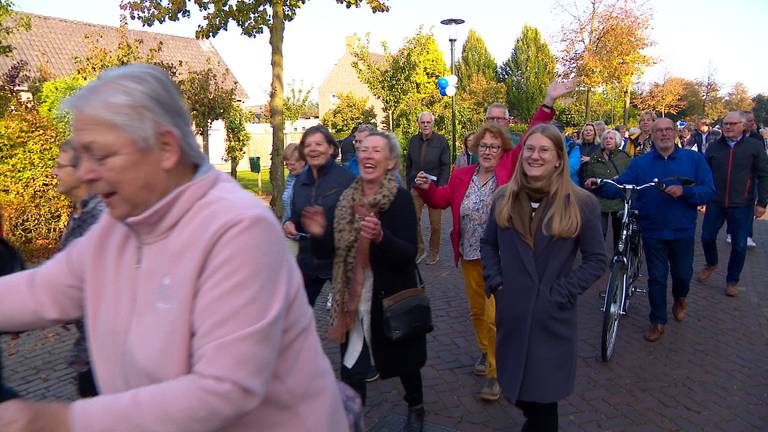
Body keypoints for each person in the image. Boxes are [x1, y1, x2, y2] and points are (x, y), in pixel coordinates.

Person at [0, 64, 348, 431]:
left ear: (165, 148)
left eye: (101, 156)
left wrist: (54, 421)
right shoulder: (118, 227)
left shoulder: (238, 228)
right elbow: (43, 291)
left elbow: (223, 390)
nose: (86, 173)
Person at [481, 123, 607, 432]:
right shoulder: (504, 198)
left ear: (559, 160)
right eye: (530, 149)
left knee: (544, 401)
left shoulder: (581, 203)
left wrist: (560, 293)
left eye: (544, 150)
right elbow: (488, 244)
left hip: (551, 319)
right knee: (520, 391)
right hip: (514, 313)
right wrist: (497, 283)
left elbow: (596, 260)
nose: (535, 156)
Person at [303, 131, 427, 432]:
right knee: (352, 368)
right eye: (364, 149)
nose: (368, 155)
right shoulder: (347, 198)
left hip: (388, 295)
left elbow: (408, 254)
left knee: (404, 362)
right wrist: (318, 232)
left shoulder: (398, 200)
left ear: (390, 162)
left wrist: (382, 237)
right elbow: (327, 251)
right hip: (351, 295)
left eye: (376, 151)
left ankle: (416, 406)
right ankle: (354, 419)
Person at [587, 117, 714, 342]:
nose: (663, 134)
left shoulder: (693, 159)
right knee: (657, 276)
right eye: (658, 131)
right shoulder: (641, 163)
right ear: (652, 134)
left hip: (682, 229)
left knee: (682, 275)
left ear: (675, 132)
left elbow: (708, 191)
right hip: (652, 229)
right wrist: (600, 186)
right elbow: (623, 185)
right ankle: (657, 320)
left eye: (667, 130)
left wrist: (685, 192)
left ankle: (680, 297)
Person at [413, 124, 513, 402]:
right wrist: (426, 188)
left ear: (502, 151)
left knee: (493, 315)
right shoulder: (463, 175)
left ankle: (495, 371)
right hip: (469, 254)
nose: (488, 151)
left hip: (499, 257)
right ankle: (486, 350)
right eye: (484, 146)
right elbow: (441, 199)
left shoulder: (508, 176)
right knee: (477, 312)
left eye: (494, 147)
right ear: (475, 148)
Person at [53, 139, 106, 398]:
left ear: (81, 172)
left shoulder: (99, 217)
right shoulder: (81, 212)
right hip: (90, 350)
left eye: (60, 165)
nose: (54, 172)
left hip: (105, 357)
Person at [696, 111, 768, 297]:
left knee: (739, 245)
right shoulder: (713, 147)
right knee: (707, 237)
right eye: (725, 123)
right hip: (716, 201)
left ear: (743, 126)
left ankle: (732, 280)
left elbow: (763, 175)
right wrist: (702, 196)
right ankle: (711, 263)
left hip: (742, 204)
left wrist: (761, 203)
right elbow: (704, 173)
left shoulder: (754, 147)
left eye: (732, 124)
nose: (727, 127)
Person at [284, 125, 355, 306]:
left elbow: (356, 225)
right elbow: (297, 216)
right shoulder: (301, 181)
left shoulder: (346, 180)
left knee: (346, 318)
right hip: (308, 259)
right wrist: (292, 223)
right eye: (308, 145)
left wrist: (324, 230)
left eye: (319, 144)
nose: (313, 148)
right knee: (297, 313)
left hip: (339, 261)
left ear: (331, 148)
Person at [405, 112, 450, 265]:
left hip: (434, 188)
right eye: (422, 122)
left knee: (435, 224)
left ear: (433, 124)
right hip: (416, 187)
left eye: (428, 122)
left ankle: (434, 252)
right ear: (418, 124)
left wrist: (441, 187)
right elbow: (408, 164)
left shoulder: (441, 141)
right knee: (412, 220)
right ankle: (420, 249)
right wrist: (410, 183)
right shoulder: (413, 141)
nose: (425, 125)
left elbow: (445, 166)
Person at [580, 129, 631, 252]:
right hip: (600, 200)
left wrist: (621, 179)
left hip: (618, 200)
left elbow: (631, 175)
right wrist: (589, 181)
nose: (608, 140)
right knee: (599, 233)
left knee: (619, 234)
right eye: (606, 138)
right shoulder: (595, 157)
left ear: (617, 141)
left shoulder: (624, 157)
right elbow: (587, 176)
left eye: (611, 138)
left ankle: (617, 260)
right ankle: (598, 259)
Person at [280, 143, 306, 255]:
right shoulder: (291, 177)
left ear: (303, 162)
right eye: (286, 165)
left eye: (292, 164)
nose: (289, 168)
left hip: (300, 233)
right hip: (288, 230)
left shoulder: (308, 180)